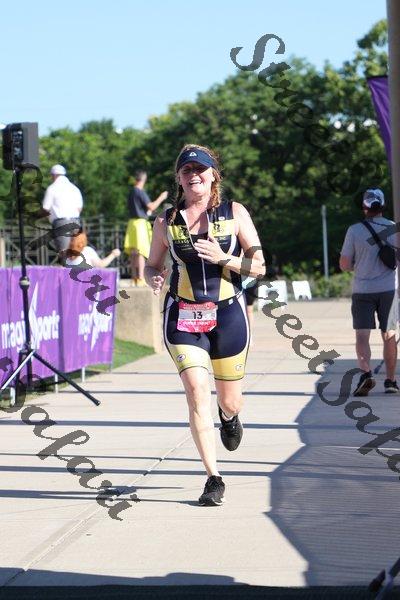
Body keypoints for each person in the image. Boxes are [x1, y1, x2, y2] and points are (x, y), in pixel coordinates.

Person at [144, 144, 265, 506]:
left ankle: (228, 416)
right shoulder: (165, 221)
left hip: (228, 315)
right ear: (178, 179)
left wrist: (226, 258)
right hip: (183, 316)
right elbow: (151, 264)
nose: (193, 175)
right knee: (197, 391)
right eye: (186, 170)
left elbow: (259, 266)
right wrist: (152, 276)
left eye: (200, 169)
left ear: (214, 176)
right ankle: (213, 478)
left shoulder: (235, 213)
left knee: (231, 399)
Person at [340, 188, 399, 396]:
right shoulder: (393, 228)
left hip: (362, 290)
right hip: (389, 290)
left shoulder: (354, 230)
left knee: (362, 335)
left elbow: (344, 264)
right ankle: (391, 381)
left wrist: (359, 265)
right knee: (389, 334)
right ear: (382, 206)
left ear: (364, 207)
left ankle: (366, 374)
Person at [124, 170, 168, 286]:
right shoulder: (139, 191)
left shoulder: (131, 192)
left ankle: (134, 278)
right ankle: (141, 278)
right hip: (140, 223)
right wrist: (161, 197)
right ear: (144, 179)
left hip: (131, 223)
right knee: (140, 252)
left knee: (133, 252)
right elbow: (151, 206)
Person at [42, 164, 83, 254]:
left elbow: (45, 208)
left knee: (64, 253)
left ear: (53, 175)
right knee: (77, 252)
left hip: (61, 223)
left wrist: (50, 219)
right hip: (76, 221)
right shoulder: (74, 188)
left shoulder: (52, 188)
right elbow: (79, 208)